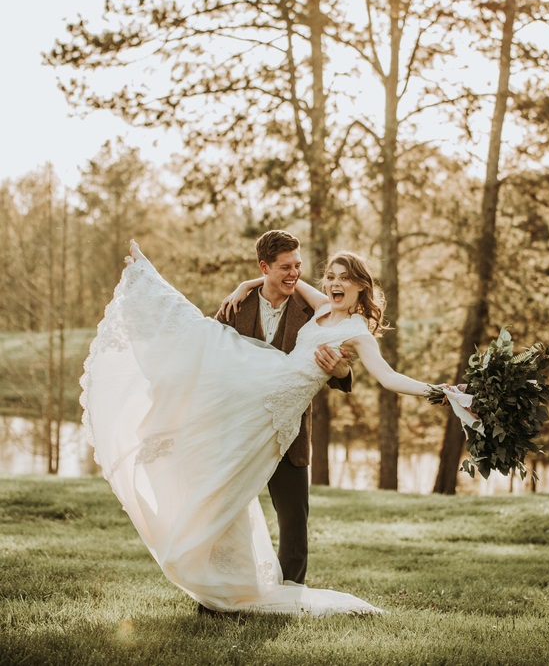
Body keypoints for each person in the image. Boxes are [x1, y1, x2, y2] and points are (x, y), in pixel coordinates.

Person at [81, 241, 471, 615]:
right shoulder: (321, 307)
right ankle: (143, 287)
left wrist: (440, 393)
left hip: (276, 410)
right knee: (203, 340)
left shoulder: (357, 332)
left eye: (344, 279)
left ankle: (251, 584)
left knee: (243, 490)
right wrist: (247, 283)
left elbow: (388, 378)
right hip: (261, 383)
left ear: (361, 287)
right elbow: (288, 279)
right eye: (330, 276)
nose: (334, 284)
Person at [215, 230, 353, 588]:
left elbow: (336, 367)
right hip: (240, 432)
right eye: (285, 267)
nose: (294, 274)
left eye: (298, 265)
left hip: (289, 433)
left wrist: (343, 372)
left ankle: (291, 593)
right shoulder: (235, 307)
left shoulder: (315, 311)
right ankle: (223, 591)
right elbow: (211, 362)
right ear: (264, 267)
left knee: (294, 520)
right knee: (226, 514)